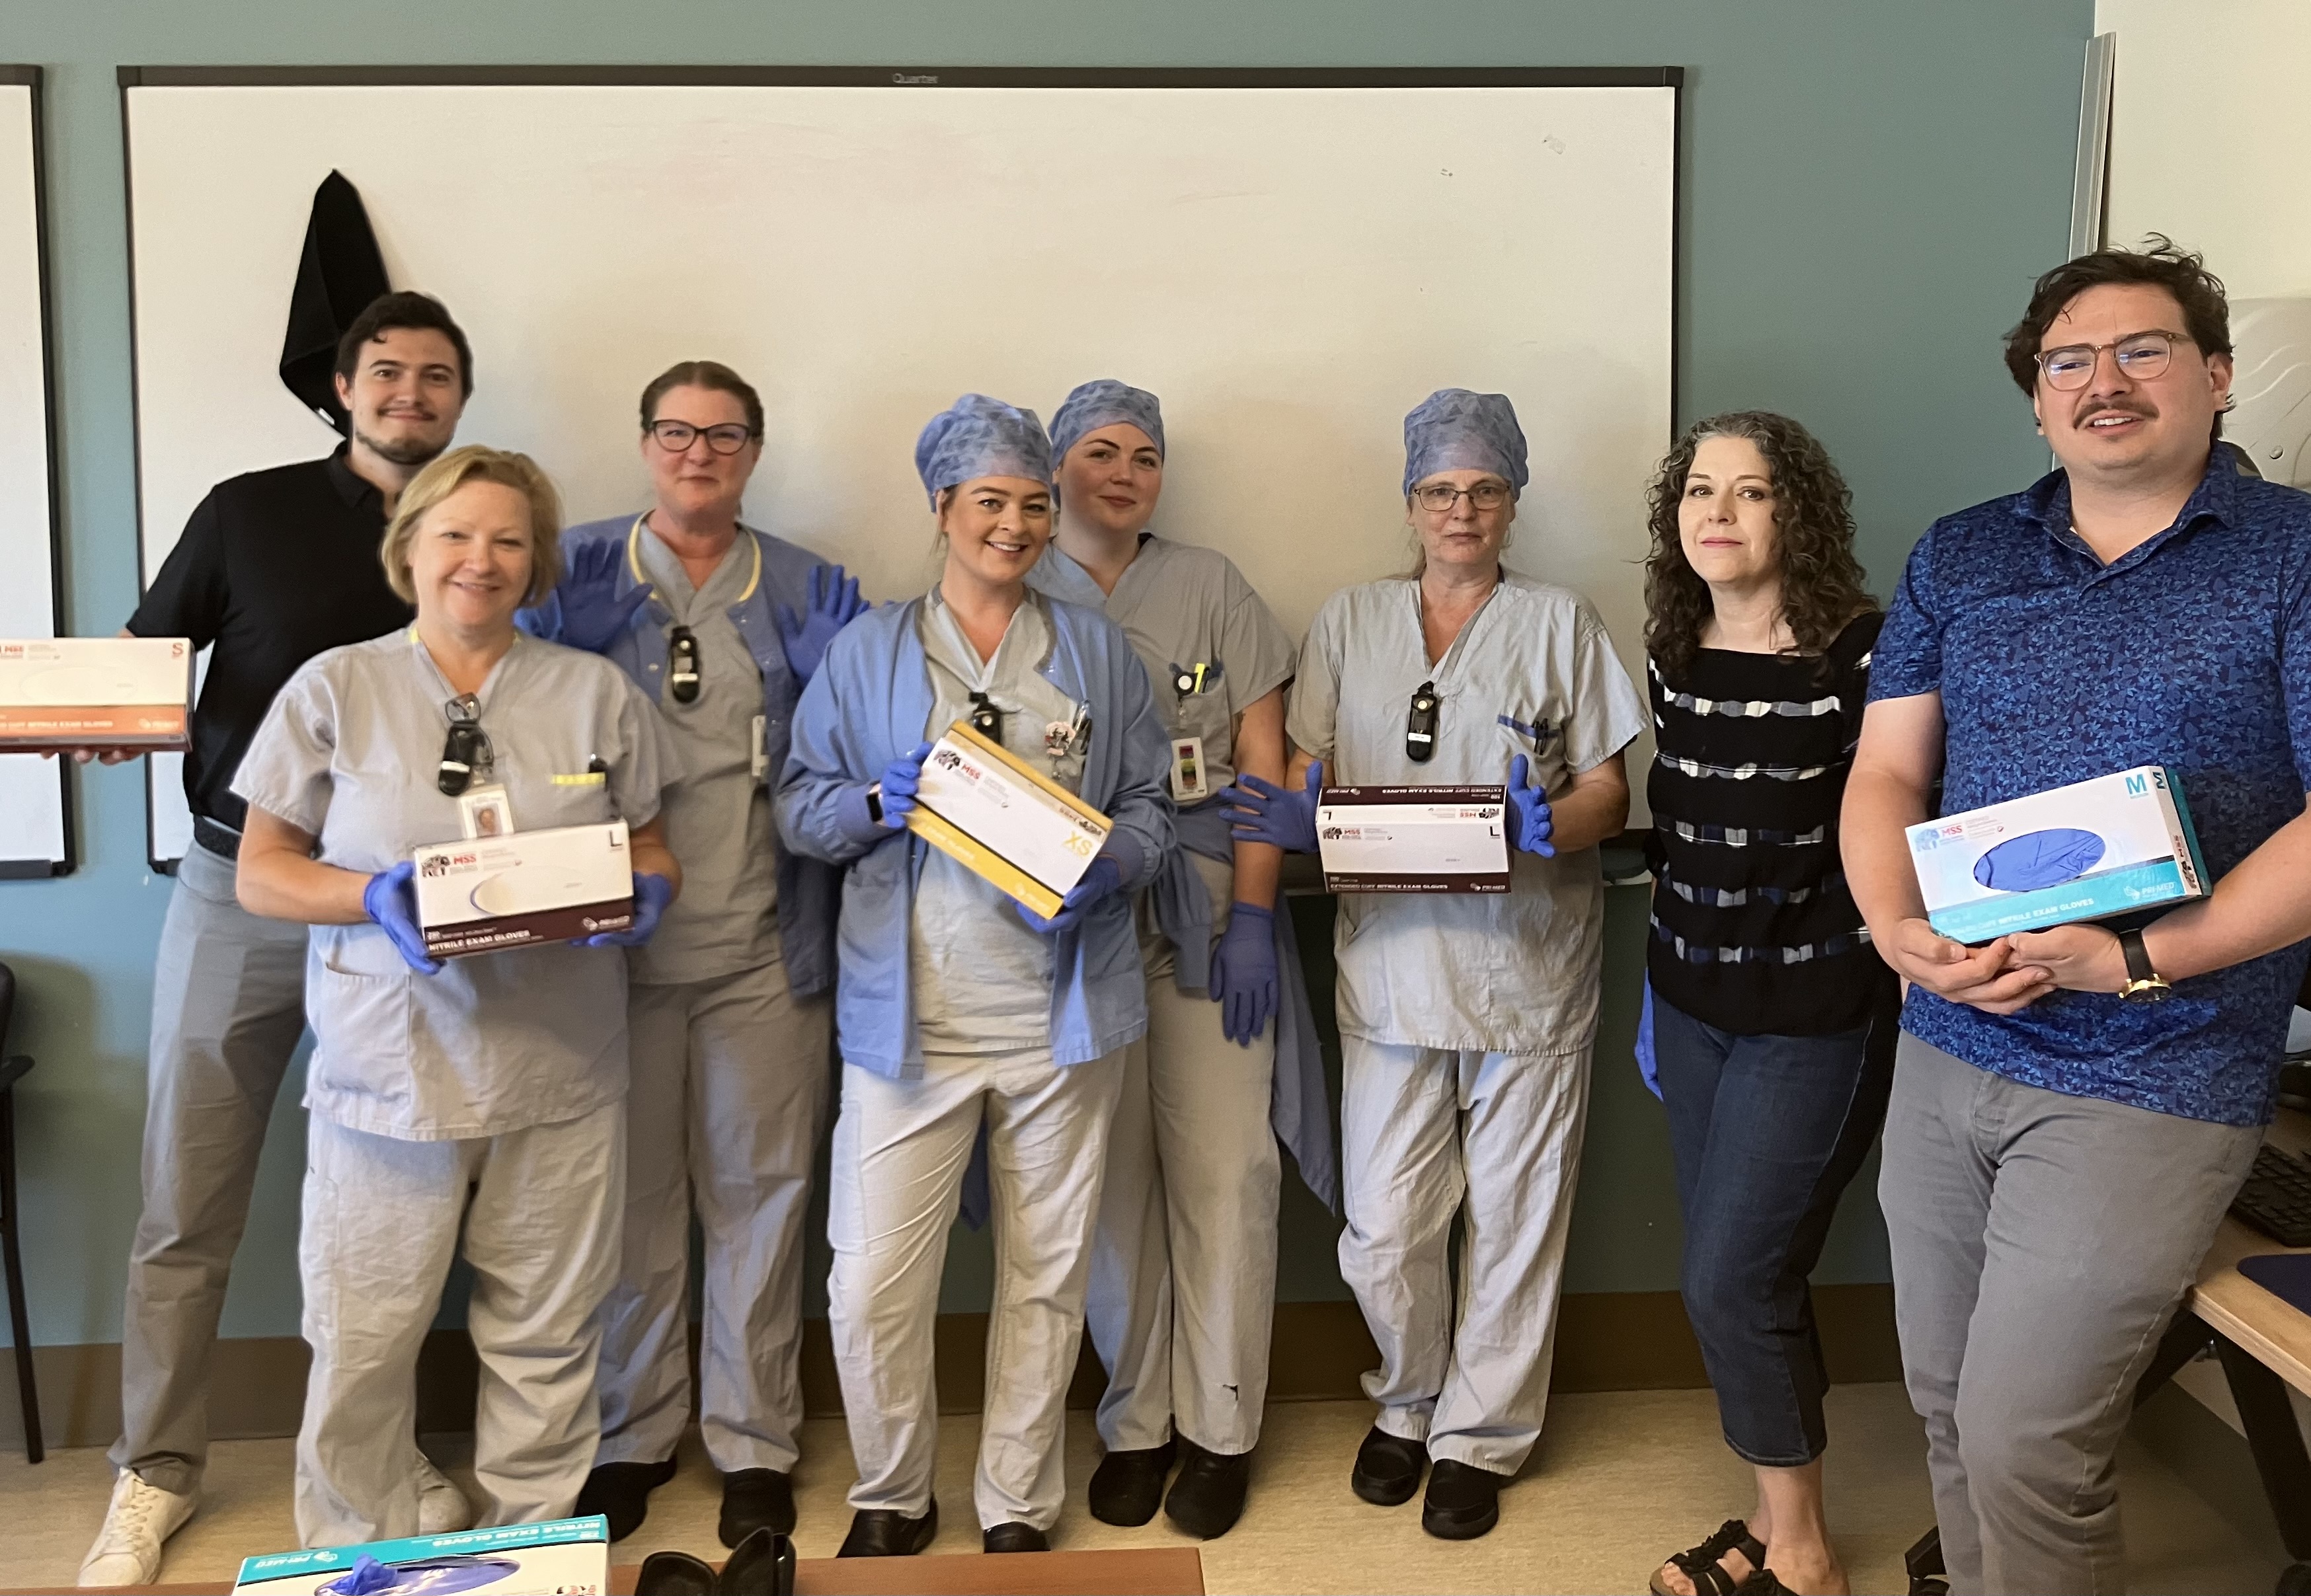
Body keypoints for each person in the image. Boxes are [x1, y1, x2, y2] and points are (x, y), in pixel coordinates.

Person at [1844, 239, 2311, 1593]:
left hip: (2157, 1064)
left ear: (2215, 375)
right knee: (1943, 1406)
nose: (2100, 381)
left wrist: (2136, 958)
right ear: (2034, 397)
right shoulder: (1961, 552)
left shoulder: (2291, 554)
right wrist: (1893, 928)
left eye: (2140, 348)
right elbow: (1883, 771)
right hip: (1951, 1040)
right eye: (2066, 361)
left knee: (2024, 1440)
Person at [78, 291, 475, 1587]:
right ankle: (154, 1470)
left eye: (434, 378)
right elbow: (143, 663)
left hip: (400, 913)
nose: (408, 395)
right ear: (344, 387)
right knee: (186, 1196)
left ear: (459, 399)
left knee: (398, 1200)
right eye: (386, 373)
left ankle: (384, 1459)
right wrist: (92, 715)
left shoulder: (477, 529)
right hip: (237, 894)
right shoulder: (246, 509)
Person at [230, 445, 680, 1547]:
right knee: (362, 1340)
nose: (482, 560)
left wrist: (649, 893)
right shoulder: (335, 688)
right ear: (410, 550)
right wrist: (365, 897)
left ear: (535, 569)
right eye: (456, 535)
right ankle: (358, 1555)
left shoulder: (592, 692)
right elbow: (262, 870)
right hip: (389, 1074)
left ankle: (530, 1548)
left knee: (548, 1334)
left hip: (560, 1072)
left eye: (510, 541)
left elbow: (655, 842)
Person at [1229, 388, 1645, 1540]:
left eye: (1484, 490)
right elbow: (1309, 766)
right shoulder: (1352, 620)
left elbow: (1610, 790)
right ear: (1409, 502)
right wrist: (1286, 817)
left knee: (1518, 1215)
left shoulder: (1561, 622)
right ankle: (1407, 1400)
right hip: (1391, 969)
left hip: (1528, 968)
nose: (1461, 509)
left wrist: (1546, 824)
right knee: (1386, 1224)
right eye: (1440, 490)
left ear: (1514, 501)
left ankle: (1480, 1435)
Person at [777, 394, 1172, 1557]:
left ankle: (1015, 1504)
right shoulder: (870, 653)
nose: (1015, 524)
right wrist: (870, 804)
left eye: (1034, 504)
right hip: (911, 1027)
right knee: (870, 1285)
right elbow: (801, 808)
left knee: (1045, 1276)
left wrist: (1115, 863)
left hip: (1062, 1020)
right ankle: (894, 1496)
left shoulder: (1094, 646)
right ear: (942, 508)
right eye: (990, 501)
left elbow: (1151, 802)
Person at [521, 361, 867, 1548]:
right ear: (644, 441)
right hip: (612, 950)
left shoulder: (809, 585)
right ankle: (632, 1433)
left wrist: (834, 682)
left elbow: (849, 758)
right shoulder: (568, 572)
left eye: (725, 435)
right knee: (632, 1206)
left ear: (755, 451)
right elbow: (505, 725)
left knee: (761, 1199)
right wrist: (549, 645)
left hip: (763, 944)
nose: (699, 453)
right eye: (677, 431)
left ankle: (755, 1440)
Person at [1028, 380, 1332, 1540]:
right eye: (1099, 451)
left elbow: (1265, 765)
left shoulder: (1209, 585)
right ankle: (1136, 1421)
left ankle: (1220, 1426)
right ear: (1056, 468)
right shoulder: (1020, 581)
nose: (1123, 472)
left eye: (1144, 456)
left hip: (1207, 905)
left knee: (1227, 1173)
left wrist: (1255, 916)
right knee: (1109, 1182)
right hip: (1078, 912)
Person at [1637, 413, 1896, 1596]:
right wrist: (1657, 1001)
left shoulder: (1860, 651)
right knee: (1741, 1269)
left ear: (1797, 510)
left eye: (1749, 492)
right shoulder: (1673, 642)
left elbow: (1901, 823)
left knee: (1730, 1278)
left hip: (1816, 1018)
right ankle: (1771, 1512)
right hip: (1690, 1007)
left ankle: (1799, 1555)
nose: (1719, 514)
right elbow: (1686, 836)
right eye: (1701, 490)